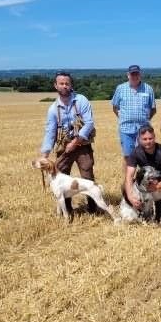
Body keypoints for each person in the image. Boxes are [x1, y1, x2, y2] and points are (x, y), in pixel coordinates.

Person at [40, 71, 98, 215]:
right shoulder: (53, 109)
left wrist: (75, 142)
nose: (64, 86)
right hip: (63, 147)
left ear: (71, 85)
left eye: (67, 83)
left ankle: (93, 209)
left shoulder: (81, 100)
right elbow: (50, 132)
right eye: (61, 83)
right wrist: (45, 153)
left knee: (87, 176)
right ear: (56, 86)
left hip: (82, 145)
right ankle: (68, 210)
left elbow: (89, 123)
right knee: (61, 177)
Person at [125, 125, 161, 225]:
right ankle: (141, 207)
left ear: (154, 137)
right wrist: (130, 196)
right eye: (144, 139)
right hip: (144, 189)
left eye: (150, 138)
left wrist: (157, 186)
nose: (148, 141)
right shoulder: (136, 152)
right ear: (139, 139)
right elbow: (129, 176)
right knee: (140, 219)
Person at [112, 65, 156, 169]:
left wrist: (145, 119)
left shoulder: (148, 89)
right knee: (128, 156)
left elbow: (153, 109)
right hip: (126, 129)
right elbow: (115, 107)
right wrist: (123, 118)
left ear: (140, 75)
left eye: (137, 74)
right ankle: (128, 182)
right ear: (128, 75)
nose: (135, 76)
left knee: (145, 155)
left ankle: (144, 182)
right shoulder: (120, 88)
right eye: (132, 74)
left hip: (143, 129)